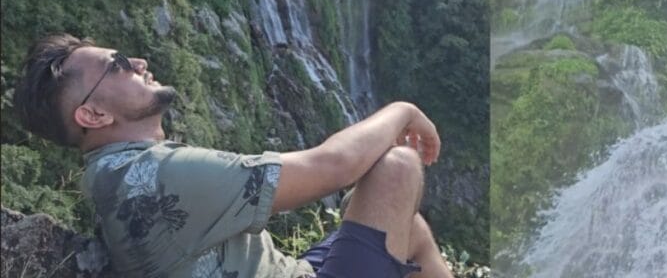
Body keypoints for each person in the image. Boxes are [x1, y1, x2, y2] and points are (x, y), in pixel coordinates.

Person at [14, 34, 455, 278]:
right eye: (118, 64)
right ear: (93, 114)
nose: (140, 62)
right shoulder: (158, 177)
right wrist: (404, 111)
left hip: (290, 271)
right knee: (396, 168)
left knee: (410, 228)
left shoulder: (111, 175)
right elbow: (333, 167)